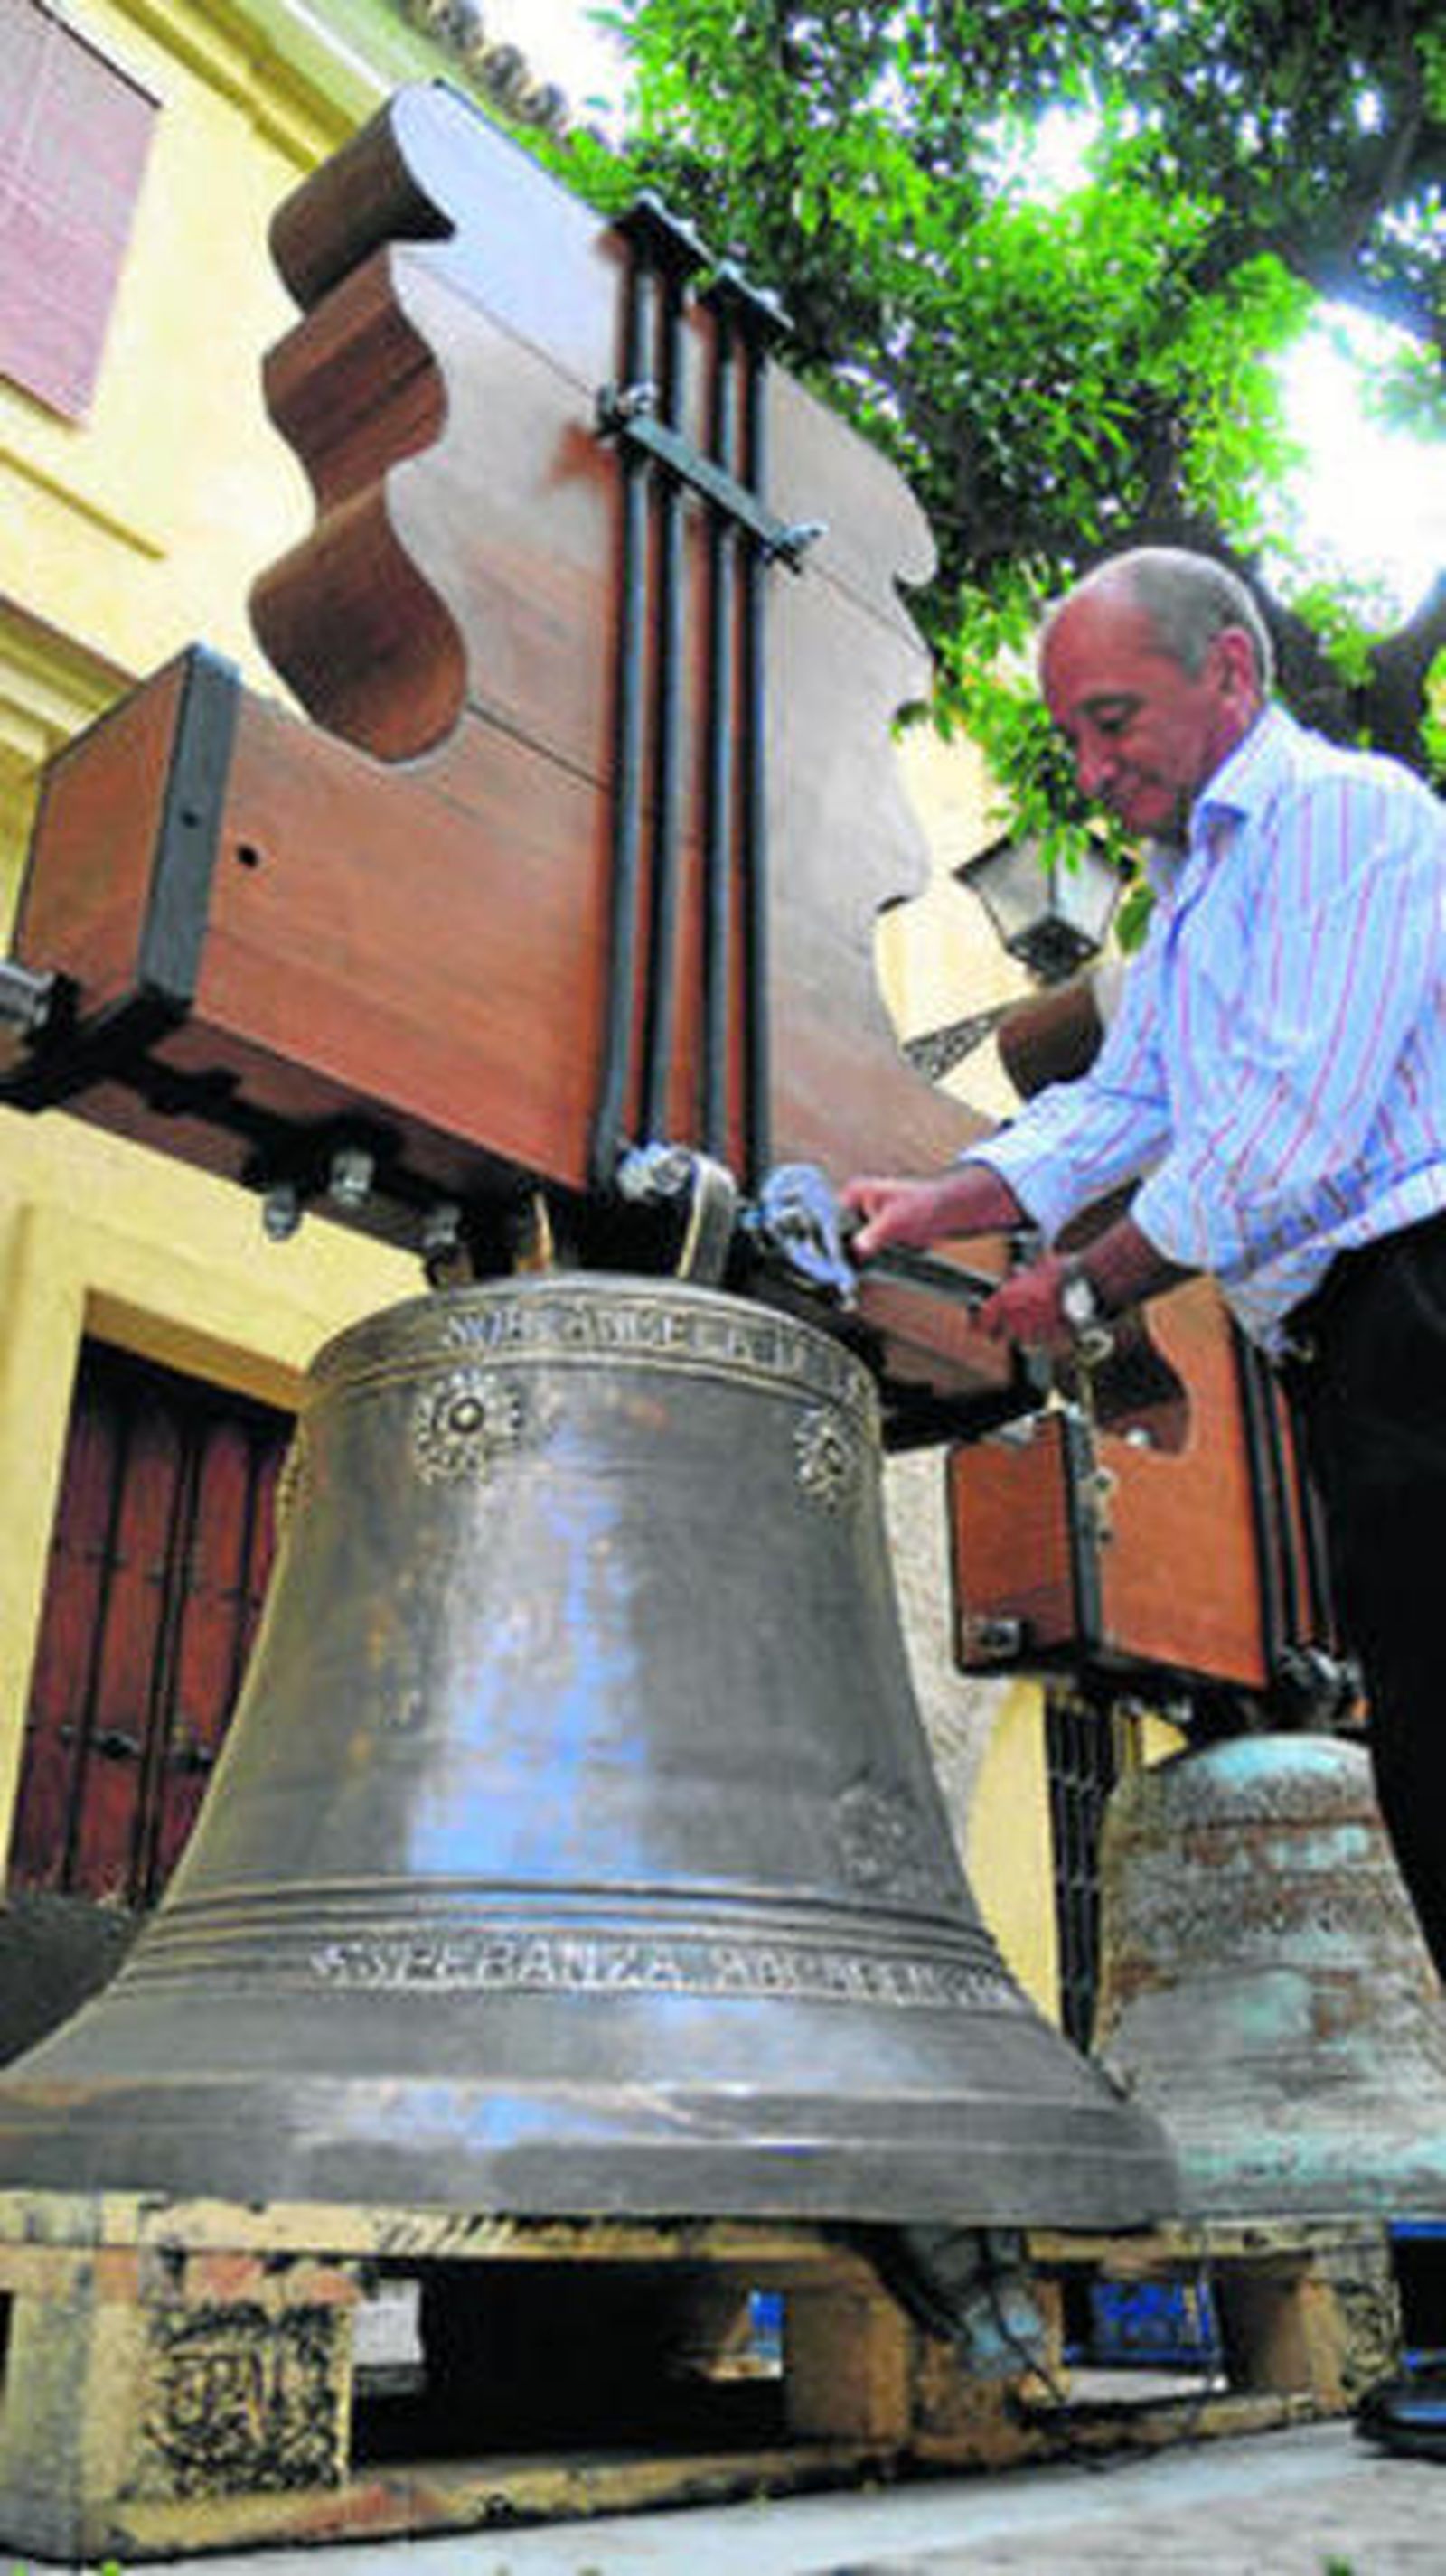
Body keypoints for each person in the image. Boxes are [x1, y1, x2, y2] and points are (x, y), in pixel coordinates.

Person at [846, 539, 1446, 2296]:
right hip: (1353, 1354)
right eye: (1070, 739)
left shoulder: (1344, 822)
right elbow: (1130, 1098)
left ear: (1229, 680)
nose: (1092, 768)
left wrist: (1085, 1286)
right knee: (1422, 1766)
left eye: (1112, 722)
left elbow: (1287, 1134)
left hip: (1421, 1299)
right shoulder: (1183, 894)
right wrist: (936, 1201)